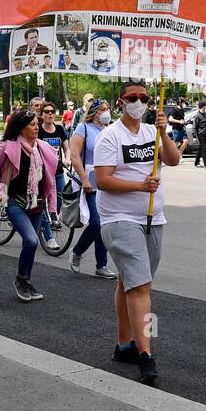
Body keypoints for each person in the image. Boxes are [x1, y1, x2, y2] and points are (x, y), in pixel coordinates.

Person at [95, 81, 181, 383]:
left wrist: (164, 132)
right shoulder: (110, 136)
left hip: (153, 219)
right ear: (121, 102)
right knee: (142, 287)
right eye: (133, 98)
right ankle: (146, 351)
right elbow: (103, 180)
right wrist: (139, 186)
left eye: (144, 98)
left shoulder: (151, 133)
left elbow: (173, 159)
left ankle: (124, 343)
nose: (140, 102)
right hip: (118, 219)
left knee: (132, 282)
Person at [0, 110, 59, 302]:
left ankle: (26, 281)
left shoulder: (43, 148)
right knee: (32, 240)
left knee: (30, 245)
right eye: (32, 124)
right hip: (15, 202)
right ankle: (20, 279)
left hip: (37, 203)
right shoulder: (9, 147)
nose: (36, 127)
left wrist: (51, 204)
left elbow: (50, 177)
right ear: (21, 127)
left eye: (37, 123)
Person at [67, 99, 115, 279]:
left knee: (104, 224)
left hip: (106, 181)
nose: (106, 112)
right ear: (94, 112)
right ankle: (77, 251)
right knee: (96, 223)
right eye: (103, 109)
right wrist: (85, 179)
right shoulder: (83, 129)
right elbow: (74, 155)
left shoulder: (109, 131)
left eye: (108, 109)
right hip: (89, 182)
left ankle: (101, 265)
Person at [37, 101, 69, 251]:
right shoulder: (38, 131)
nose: (50, 114)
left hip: (58, 172)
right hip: (42, 174)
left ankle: (53, 218)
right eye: (46, 111)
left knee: (60, 200)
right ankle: (49, 238)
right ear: (42, 114)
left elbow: (67, 148)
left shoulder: (60, 130)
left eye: (52, 111)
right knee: (43, 205)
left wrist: (67, 159)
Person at [190, 100, 206, 167]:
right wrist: (194, 136)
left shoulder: (205, 114)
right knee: (203, 148)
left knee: (201, 148)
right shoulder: (197, 116)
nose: (205, 107)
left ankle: (196, 162)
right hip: (200, 134)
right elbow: (194, 127)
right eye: (205, 106)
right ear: (202, 107)